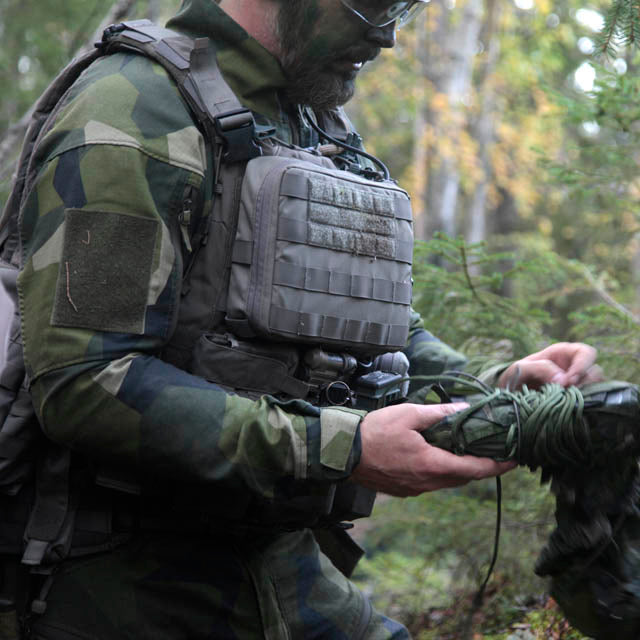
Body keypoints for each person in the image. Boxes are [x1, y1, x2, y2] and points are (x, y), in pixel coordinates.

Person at [7, 0, 601, 638]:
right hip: (115, 577)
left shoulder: (309, 120)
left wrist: (492, 385)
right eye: (372, 3)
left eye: (403, 7)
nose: (386, 36)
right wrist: (342, 447)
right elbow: (86, 381)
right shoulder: (134, 110)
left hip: (278, 563)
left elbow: (369, 326)